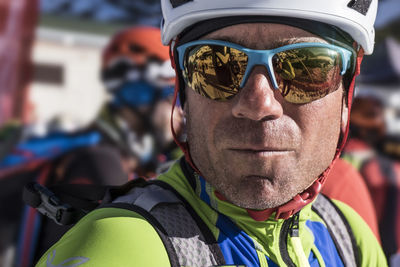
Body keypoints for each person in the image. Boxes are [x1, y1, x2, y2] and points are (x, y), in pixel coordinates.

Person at [35, 0, 387, 266]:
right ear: (184, 94)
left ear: (346, 96)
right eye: (216, 66)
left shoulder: (349, 235)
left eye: (307, 68)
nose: (259, 103)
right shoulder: (121, 247)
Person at [96, 26, 183, 177]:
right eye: (171, 99)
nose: (181, 112)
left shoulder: (142, 158)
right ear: (136, 93)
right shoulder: (101, 163)